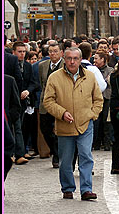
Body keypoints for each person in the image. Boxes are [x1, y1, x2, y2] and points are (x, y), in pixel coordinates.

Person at [42, 47, 103, 200]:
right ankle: (68, 188)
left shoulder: (89, 76)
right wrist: (62, 113)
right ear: (64, 58)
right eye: (69, 58)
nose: (72, 61)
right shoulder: (55, 77)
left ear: (80, 59)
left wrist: (92, 114)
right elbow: (48, 101)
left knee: (86, 156)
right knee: (65, 161)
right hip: (64, 126)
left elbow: (98, 99)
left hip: (85, 124)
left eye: (75, 58)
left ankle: (86, 189)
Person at [38, 42, 64, 168]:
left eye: (55, 51)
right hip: (46, 102)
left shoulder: (66, 65)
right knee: (45, 129)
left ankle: (58, 155)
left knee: (59, 130)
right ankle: (55, 150)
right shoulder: (42, 65)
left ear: (61, 53)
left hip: (60, 103)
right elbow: (42, 83)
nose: (53, 54)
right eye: (51, 52)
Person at [92, 49, 114, 151]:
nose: (94, 60)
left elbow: (110, 82)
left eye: (96, 58)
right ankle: (96, 142)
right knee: (97, 120)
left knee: (106, 121)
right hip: (96, 98)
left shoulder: (110, 70)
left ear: (103, 59)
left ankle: (107, 142)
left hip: (107, 97)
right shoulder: (92, 70)